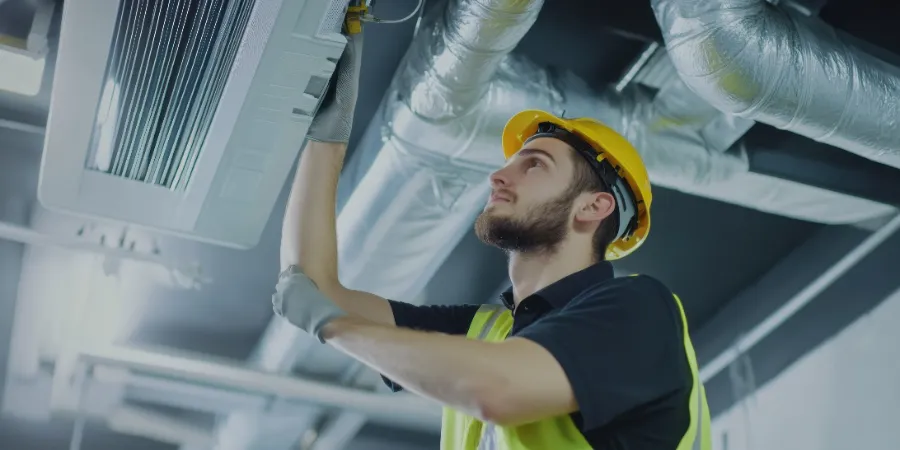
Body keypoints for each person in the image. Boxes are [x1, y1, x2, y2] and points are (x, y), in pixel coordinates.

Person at [274, 27, 712, 450]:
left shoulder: (638, 310)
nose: (498, 176)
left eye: (534, 164)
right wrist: (325, 138)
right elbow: (312, 289)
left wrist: (333, 325)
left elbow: (497, 390)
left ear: (593, 207)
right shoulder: (488, 332)